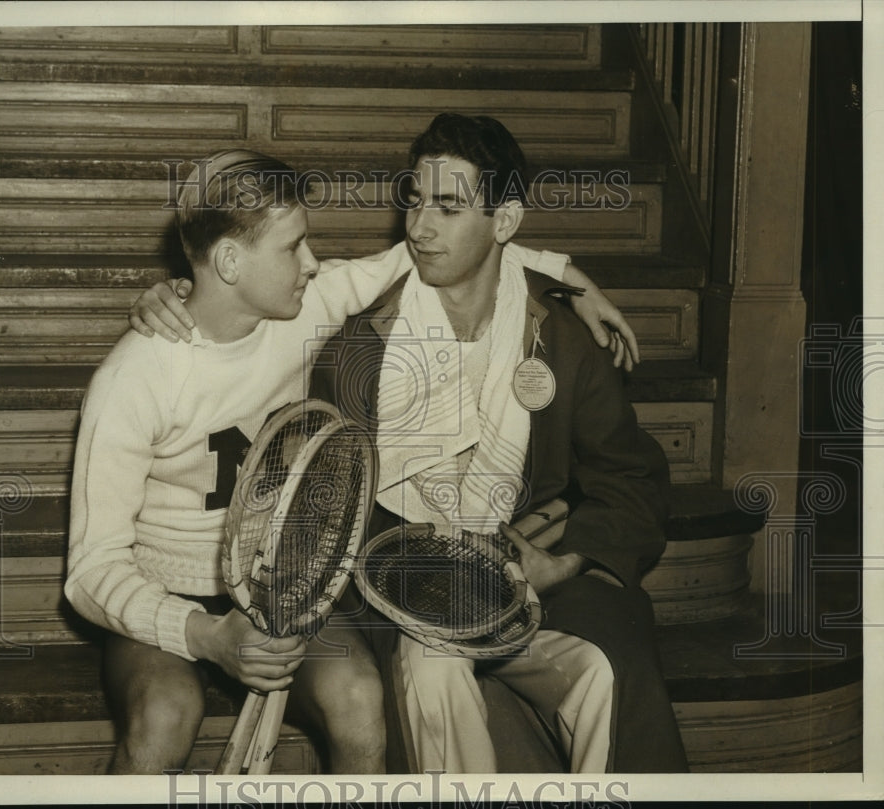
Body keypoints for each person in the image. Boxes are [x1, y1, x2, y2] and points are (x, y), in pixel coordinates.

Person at [70, 147, 623, 775]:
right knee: (165, 716)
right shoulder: (133, 378)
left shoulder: (303, 305)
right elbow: (91, 570)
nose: (313, 264)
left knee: (361, 700)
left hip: (286, 588)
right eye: (294, 247)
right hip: (166, 596)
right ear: (229, 261)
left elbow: (440, 251)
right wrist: (203, 633)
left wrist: (573, 280)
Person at [305, 113, 689, 773]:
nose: (420, 227)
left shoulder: (559, 334)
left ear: (505, 221)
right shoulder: (361, 343)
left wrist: (560, 561)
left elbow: (631, 480)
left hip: (534, 580)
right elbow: (334, 508)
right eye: (415, 201)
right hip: (402, 582)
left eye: (449, 207)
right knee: (432, 667)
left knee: (605, 670)